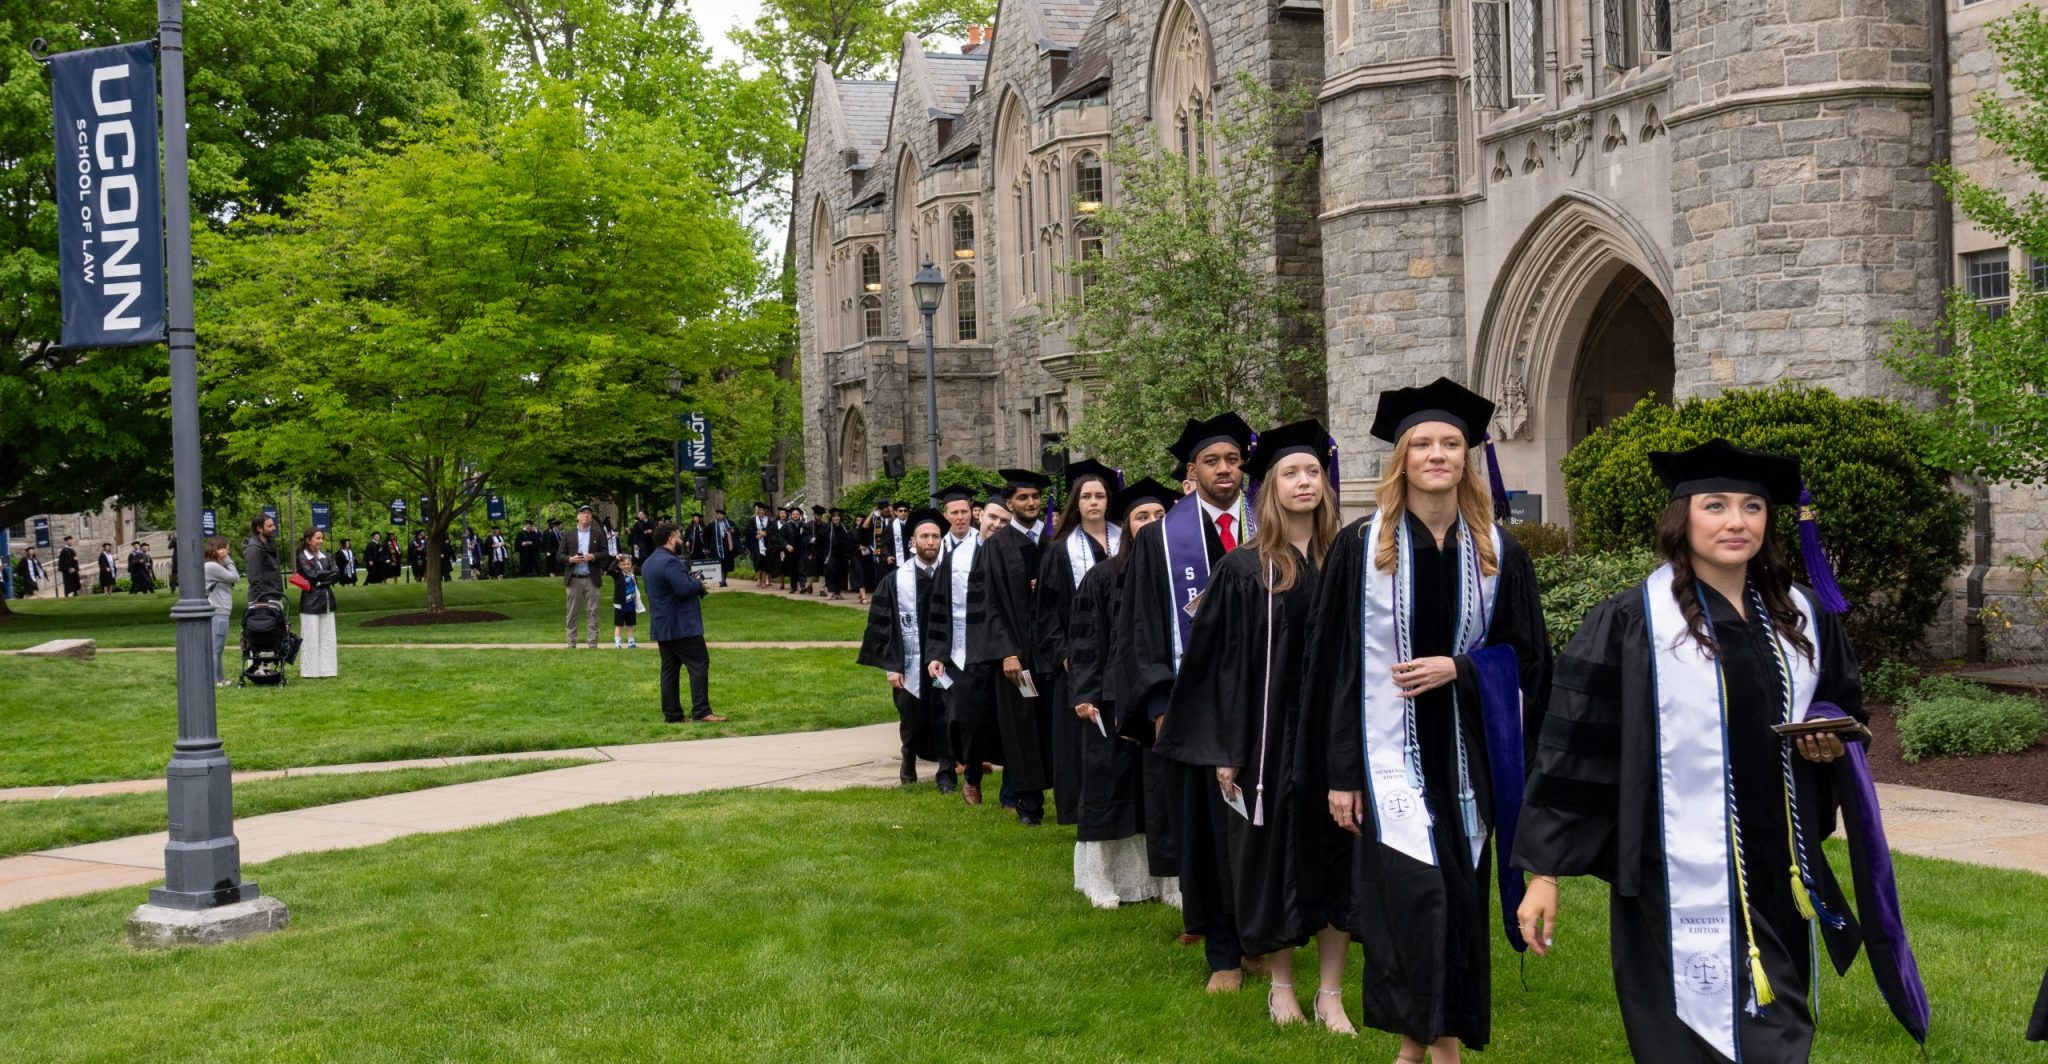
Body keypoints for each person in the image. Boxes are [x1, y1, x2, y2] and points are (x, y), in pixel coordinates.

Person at [1515, 438, 1929, 1063]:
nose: (1737, 522)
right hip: (1669, 867)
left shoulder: (1802, 618)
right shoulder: (1632, 621)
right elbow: (1574, 745)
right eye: (1716, 505)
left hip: (1779, 863)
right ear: (1682, 520)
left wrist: (1826, 742)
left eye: (1752, 508)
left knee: (1781, 1028)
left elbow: (1846, 709)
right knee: (1684, 1038)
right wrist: (1543, 873)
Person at [1314, 379, 1551, 1062]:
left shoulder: (1499, 553)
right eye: (1423, 443)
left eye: (1450, 443)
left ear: (1466, 459)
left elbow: (1529, 659)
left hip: (1467, 762)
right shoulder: (1363, 550)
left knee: (1457, 901)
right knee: (1414, 901)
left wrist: (1462, 669)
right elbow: (1332, 668)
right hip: (1387, 757)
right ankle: (1423, 1045)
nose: (1438, 454)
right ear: (1403, 459)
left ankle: (1433, 1047)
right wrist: (1341, 773)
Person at [1159, 421, 1358, 1031]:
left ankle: (1331, 993)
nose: (1304, 482)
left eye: (1312, 473)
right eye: (1290, 474)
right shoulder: (1245, 568)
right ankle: (1281, 985)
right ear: (1269, 488)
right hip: (1267, 741)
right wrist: (1226, 748)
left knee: (1336, 858)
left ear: (1326, 486)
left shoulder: (1349, 560)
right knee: (1273, 862)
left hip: (1335, 736)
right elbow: (1217, 667)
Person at [1118, 412, 1257, 989]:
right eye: (1211, 461)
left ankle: (1260, 935)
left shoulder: (1267, 527)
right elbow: (1143, 624)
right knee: (1206, 830)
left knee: (1258, 828)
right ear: (1191, 472)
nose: (1223, 470)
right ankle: (1222, 952)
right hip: (1191, 707)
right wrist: (1155, 704)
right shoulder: (1159, 539)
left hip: (1261, 705)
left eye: (1231, 460)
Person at [1068, 476, 1182, 910]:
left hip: (1159, 700)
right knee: (1108, 787)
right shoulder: (1101, 577)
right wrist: (1085, 693)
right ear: (1127, 526)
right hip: (1111, 702)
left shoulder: (1178, 576)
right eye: (1141, 516)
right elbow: (1086, 643)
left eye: (1159, 515)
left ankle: (1168, 880)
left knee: (1157, 791)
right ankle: (1099, 879)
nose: (1152, 522)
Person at [1035, 459, 1122, 827]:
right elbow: (1047, 611)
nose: (1094, 502)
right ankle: (1080, 808)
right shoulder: (1060, 550)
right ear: (1076, 502)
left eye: (1100, 495)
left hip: (1119, 653)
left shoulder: (1125, 540)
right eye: (1086, 496)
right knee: (1079, 739)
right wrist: (1064, 654)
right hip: (1079, 658)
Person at [971, 469, 1056, 827]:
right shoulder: (995, 546)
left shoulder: (1054, 543)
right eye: (1023, 497)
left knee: (1053, 726)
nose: (1031, 503)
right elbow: (987, 603)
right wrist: (1006, 651)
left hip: (1051, 653)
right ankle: (1028, 805)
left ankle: (1063, 798)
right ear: (1010, 503)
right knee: (1021, 729)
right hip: (1015, 656)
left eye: (1035, 497)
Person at [859, 509, 957, 790]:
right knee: (911, 717)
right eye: (924, 536)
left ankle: (946, 772)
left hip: (946, 660)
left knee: (947, 715)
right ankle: (908, 758)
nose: (930, 541)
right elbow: (883, 626)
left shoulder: (953, 577)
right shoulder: (894, 581)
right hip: (909, 662)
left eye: (935, 536)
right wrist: (892, 666)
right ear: (913, 542)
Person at [923, 486, 1007, 806]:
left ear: (975, 512)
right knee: (955, 714)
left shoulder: (986, 545)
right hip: (953, 644)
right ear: (946, 515)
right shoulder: (941, 549)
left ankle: (971, 773)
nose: (961, 517)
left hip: (985, 644)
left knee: (976, 716)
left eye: (965, 511)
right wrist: (936, 652)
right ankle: (956, 767)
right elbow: (937, 608)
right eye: (953, 512)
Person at [644, 520, 726, 723]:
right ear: (671, 539)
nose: (681, 540)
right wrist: (697, 583)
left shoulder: (649, 561)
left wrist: (689, 580)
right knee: (699, 664)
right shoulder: (671, 561)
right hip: (681, 626)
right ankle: (702, 711)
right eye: (679, 537)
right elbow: (683, 589)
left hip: (662, 624)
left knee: (669, 670)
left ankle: (672, 714)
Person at [557, 505, 612, 648]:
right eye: (583, 513)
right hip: (574, 577)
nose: (586, 516)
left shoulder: (597, 534)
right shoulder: (568, 534)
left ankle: (593, 643)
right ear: (578, 517)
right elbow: (559, 555)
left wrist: (593, 556)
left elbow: (605, 553)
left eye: (588, 514)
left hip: (591, 577)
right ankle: (571, 642)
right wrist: (570, 559)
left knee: (593, 611)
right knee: (572, 611)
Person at [295, 528, 342, 679]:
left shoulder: (326, 556)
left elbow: (336, 574)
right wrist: (323, 577)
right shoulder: (302, 557)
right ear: (308, 540)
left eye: (322, 538)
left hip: (327, 600)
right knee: (310, 638)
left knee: (328, 637)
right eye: (317, 538)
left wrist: (320, 579)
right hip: (310, 602)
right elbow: (310, 575)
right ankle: (310, 672)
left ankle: (328, 670)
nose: (321, 541)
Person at [203, 537, 240, 687]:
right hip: (218, 610)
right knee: (215, 647)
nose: (228, 551)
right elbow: (235, 577)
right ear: (219, 549)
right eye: (226, 549)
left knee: (218, 647)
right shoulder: (212, 566)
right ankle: (214, 680)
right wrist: (228, 560)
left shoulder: (211, 566)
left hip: (220, 610)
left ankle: (220, 679)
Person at [244, 515, 284, 606]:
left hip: (274, 596)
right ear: (259, 529)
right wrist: (261, 600)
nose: (274, 528)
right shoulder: (254, 549)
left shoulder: (269, 544)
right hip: (263, 600)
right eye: (269, 526)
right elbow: (254, 577)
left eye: (273, 525)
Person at [824, 508, 857, 600]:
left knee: (841, 573)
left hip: (843, 555)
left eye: (838, 516)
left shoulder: (845, 527)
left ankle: (838, 592)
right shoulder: (827, 527)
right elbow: (821, 541)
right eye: (834, 516)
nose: (836, 518)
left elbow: (849, 540)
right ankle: (830, 592)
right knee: (831, 572)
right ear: (831, 517)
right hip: (831, 554)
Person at [612, 554, 643, 649]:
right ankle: (617, 643)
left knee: (630, 625)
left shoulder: (633, 576)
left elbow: (635, 589)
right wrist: (616, 560)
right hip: (620, 605)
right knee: (619, 625)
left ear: (631, 564)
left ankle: (631, 642)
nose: (626, 566)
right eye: (623, 564)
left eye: (628, 564)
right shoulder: (618, 575)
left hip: (630, 605)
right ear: (619, 566)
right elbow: (610, 569)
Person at [749, 502, 775, 588]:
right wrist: (757, 534)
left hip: (766, 545)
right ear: (757, 511)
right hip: (756, 545)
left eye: (763, 510)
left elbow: (772, 531)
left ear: (765, 511)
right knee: (757, 563)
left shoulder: (769, 521)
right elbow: (749, 530)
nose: (761, 511)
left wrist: (766, 533)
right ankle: (759, 580)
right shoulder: (753, 520)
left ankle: (763, 581)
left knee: (764, 563)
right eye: (759, 510)